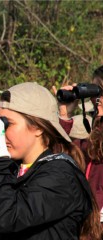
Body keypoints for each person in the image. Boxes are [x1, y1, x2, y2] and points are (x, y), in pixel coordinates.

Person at [0, 82, 102, 239]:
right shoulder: (14, 171)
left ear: (38, 127)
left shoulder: (62, 175)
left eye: (6, 124)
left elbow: (6, 218)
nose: (1, 133)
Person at [56, 65, 103, 227]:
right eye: (95, 91)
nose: (96, 98)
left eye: (101, 91)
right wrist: (65, 115)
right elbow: (53, 159)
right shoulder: (92, 142)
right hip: (84, 226)